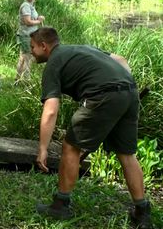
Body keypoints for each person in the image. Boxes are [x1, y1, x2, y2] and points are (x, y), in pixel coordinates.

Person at [30, 27, 152, 229]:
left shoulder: (53, 63)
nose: (32, 51)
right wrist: (122, 86)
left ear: (44, 46)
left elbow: (51, 109)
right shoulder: (81, 48)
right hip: (130, 92)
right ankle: (142, 212)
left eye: (33, 47)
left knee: (70, 147)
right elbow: (120, 59)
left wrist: (42, 148)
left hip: (102, 96)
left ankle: (60, 206)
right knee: (126, 154)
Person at [15, 0, 45, 84]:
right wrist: (39, 21)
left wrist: (38, 17)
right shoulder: (25, 6)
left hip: (30, 35)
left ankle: (18, 79)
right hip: (26, 35)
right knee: (28, 57)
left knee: (23, 57)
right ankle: (26, 81)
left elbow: (33, 18)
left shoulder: (31, 6)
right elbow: (27, 22)